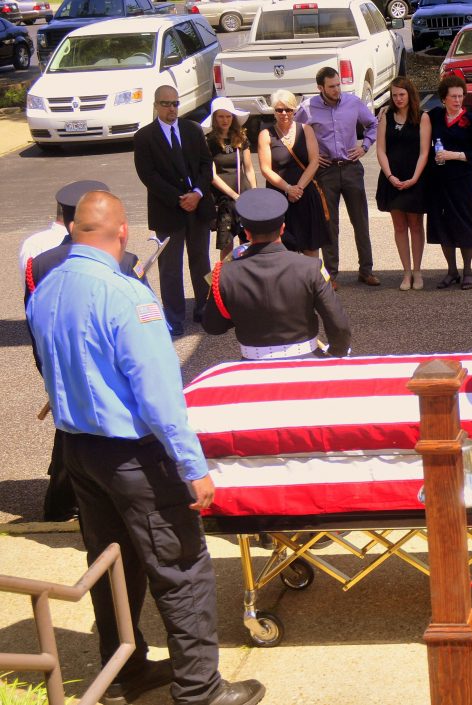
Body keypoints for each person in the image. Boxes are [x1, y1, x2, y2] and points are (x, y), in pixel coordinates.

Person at [25, 190, 266, 705]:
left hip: (77, 450)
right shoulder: (126, 294)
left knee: (113, 563)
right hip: (132, 454)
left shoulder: (45, 287)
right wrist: (192, 465)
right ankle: (200, 690)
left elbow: (48, 367)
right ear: (123, 232)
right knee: (182, 569)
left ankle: (125, 670)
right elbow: (158, 394)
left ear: (73, 231)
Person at [22, 180, 143, 523]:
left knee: (70, 430)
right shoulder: (125, 259)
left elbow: (35, 321)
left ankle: (60, 503)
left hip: (61, 361)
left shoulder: (39, 263)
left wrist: (47, 370)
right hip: (107, 363)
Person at [203, 189, 352, 360]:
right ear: (282, 228)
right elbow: (338, 324)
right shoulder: (311, 268)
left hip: (252, 366)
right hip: (306, 362)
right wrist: (336, 352)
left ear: (247, 233)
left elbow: (213, 326)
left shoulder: (225, 273)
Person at [133, 84, 215, 336]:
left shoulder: (192, 130)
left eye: (175, 103)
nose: (171, 108)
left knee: (201, 260)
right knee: (170, 266)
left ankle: (204, 307)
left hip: (197, 207)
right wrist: (179, 198)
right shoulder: (145, 137)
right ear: (156, 105)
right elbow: (148, 175)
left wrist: (197, 194)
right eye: (166, 104)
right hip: (168, 210)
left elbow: (205, 163)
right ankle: (174, 316)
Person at [295, 67, 380, 286]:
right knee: (329, 224)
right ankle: (331, 274)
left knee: (360, 221)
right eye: (331, 86)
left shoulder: (352, 102)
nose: (336, 90)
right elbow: (295, 134)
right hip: (326, 172)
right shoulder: (307, 108)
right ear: (320, 87)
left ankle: (366, 270)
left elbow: (373, 123)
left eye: (338, 85)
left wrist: (365, 146)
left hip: (352, 167)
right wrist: (310, 157)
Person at [426, 75, 472, 290]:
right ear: (443, 98)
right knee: (443, 224)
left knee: (464, 222)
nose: (457, 100)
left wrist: (454, 155)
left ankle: (467, 270)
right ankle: (451, 270)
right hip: (439, 180)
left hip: (462, 180)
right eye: (453, 96)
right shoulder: (434, 116)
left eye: (461, 96)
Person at [258, 89, 329, 259]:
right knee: (282, 248)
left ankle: (313, 283)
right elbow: (265, 170)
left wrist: (298, 188)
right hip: (278, 197)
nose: (284, 113)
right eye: (279, 109)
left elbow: (314, 162)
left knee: (310, 247)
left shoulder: (306, 130)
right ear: (273, 111)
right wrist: (288, 188)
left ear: (294, 110)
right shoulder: (265, 135)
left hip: (305, 194)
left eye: (288, 109)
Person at [375, 77, 430, 290]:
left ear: (410, 94)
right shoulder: (386, 116)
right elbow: (380, 150)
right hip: (392, 178)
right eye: (395, 95)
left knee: (416, 225)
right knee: (399, 226)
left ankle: (417, 271)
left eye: (402, 94)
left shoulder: (422, 117)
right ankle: (406, 272)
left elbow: (425, 151)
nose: (398, 98)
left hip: (415, 178)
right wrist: (390, 176)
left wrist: (415, 178)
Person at [203, 97, 258, 261]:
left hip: (244, 194)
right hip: (224, 198)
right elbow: (212, 176)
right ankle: (226, 280)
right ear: (214, 118)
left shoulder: (241, 138)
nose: (225, 120)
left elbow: (248, 168)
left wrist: (254, 192)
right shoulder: (209, 142)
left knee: (248, 240)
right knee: (226, 244)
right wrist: (233, 195)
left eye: (228, 116)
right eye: (221, 116)